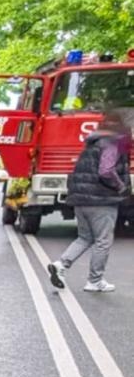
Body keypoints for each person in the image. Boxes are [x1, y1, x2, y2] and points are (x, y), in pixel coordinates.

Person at [48, 112, 131, 293]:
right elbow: (106, 171)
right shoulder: (112, 144)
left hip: (81, 199)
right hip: (101, 200)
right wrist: (121, 186)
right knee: (103, 241)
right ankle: (95, 280)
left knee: (85, 237)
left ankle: (60, 264)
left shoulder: (92, 144)